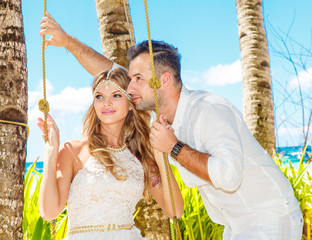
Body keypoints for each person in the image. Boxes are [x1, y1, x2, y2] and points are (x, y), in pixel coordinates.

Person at [40, 12, 304, 240]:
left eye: (137, 79)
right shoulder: (156, 117)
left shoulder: (209, 110)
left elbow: (228, 175)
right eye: (129, 82)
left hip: (268, 216)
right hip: (234, 225)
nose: (129, 88)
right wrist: (68, 42)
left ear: (162, 80)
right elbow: (111, 76)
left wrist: (173, 148)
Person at [37, 67, 184, 239]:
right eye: (99, 97)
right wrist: (50, 151)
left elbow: (175, 211)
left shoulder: (140, 156)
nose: (106, 103)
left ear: (130, 104)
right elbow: (49, 212)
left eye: (116, 95)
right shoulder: (73, 150)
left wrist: (161, 157)